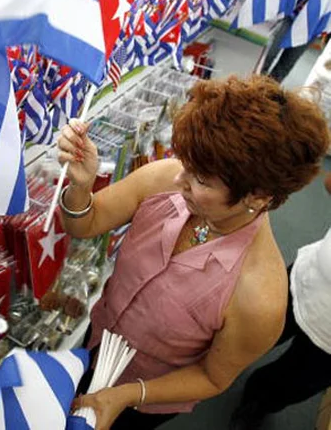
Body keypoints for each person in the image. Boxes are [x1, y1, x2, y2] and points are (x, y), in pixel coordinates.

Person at [58, 75, 330, 430]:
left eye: (201, 180)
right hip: (89, 344)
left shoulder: (259, 297)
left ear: (258, 197)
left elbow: (213, 377)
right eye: (185, 163)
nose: (178, 179)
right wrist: (80, 186)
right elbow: (84, 223)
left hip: (144, 397)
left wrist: (127, 395)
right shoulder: (163, 180)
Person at [231, 170, 331, 429]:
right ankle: (223, 365)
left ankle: (255, 403)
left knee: (292, 383)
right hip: (309, 282)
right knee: (252, 334)